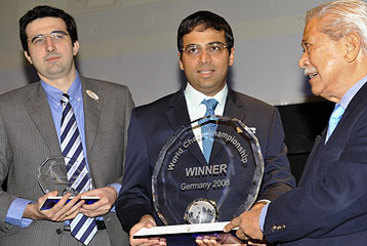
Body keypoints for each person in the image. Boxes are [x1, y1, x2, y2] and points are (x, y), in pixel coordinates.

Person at [224, 0, 367, 245]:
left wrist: (264, 221)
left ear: (350, 46)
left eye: (308, 47)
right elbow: (323, 217)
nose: (302, 61)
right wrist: (265, 238)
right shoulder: (352, 111)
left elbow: (343, 197)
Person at [116, 10, 295, 246]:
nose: (204, 59)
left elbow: (279, 182)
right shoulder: (147, 120)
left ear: (230, 55)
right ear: (180, 60)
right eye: (193, 50)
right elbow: (132, 193)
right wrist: (143, 220)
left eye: (214, 48)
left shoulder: (263, 116)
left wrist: (259, 214)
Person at [0, 5, 134, 246]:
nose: (49, 46)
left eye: (58, 36)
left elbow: (142, 170)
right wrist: (31, 210)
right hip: (35, 238)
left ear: (75, 46)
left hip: (109, 237)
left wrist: (114, 192)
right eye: (38, 40)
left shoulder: (118, 98)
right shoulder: (6, 108)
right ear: (28, 55)